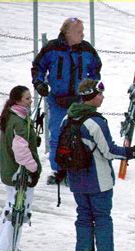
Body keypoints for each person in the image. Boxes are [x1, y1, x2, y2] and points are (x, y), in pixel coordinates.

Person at [62, 78, 135, 251]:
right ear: (91, 97)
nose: (102, 97)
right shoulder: (95, 122)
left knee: (83, 215)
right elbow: (109, 151)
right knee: (102, 217)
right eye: (100, 94)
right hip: (98, 180)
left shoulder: (67, 118)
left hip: (76, 179)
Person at [31, 17, 102, 185]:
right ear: (67, 32)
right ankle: (60, 171)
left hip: (79, 101)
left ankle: (80, 168)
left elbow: (96, 69)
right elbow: (38, 67)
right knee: (57, 135)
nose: (83, 34)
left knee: (82, 134)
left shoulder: (87, 50)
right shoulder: (52, 48)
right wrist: (39, 83)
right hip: (57, 100)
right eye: (79, 31)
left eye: (83, 31)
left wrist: (90, 90)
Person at [0, 85, 42, 251]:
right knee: (18, 210)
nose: (31, 101)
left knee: (10, 205)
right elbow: (20, 152)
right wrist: (34, 168)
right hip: (19, 174)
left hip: (10, 171)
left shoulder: (11, 116)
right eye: (27, 98)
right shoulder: (19, 122)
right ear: (18, 101)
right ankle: (6, 248)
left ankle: (0, 243)